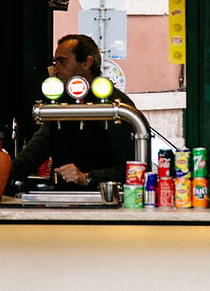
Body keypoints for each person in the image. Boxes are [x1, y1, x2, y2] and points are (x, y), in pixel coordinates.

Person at [10, 34, 143, 188]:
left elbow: (134, 169)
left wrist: (88, 177)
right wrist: (1, 176)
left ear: (87, 62)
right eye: (55, 62)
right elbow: (35, 150)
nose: (56, 69)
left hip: (107, 201)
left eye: (62, 61)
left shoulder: (116, 105)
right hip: (63, 201)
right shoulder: (60, 104)